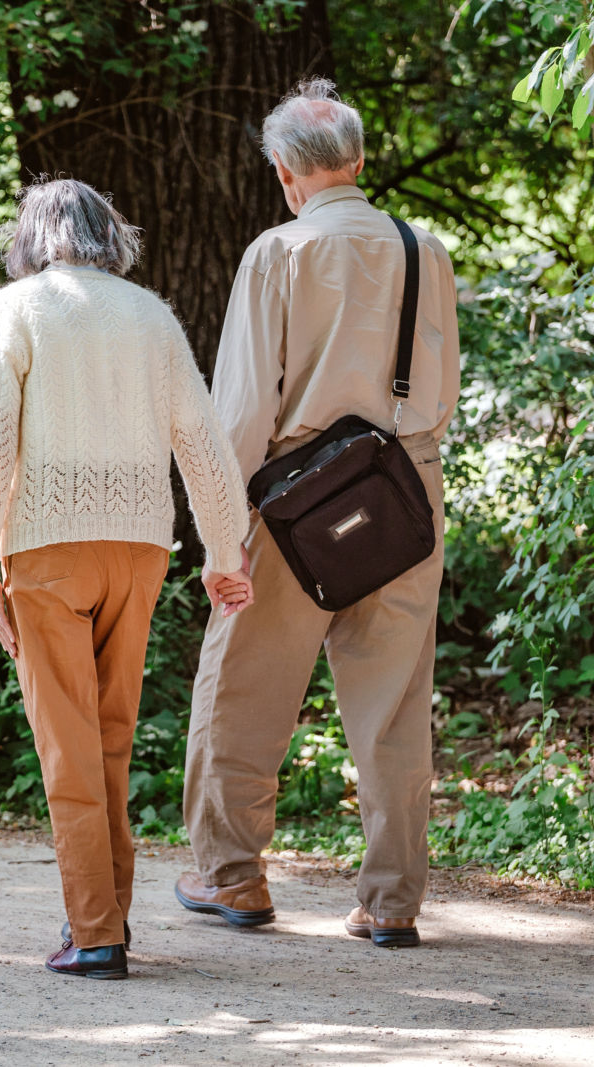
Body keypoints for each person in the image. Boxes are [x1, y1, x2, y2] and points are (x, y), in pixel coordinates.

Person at [176, 79, 462, 948]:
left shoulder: (278, 253)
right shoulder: (429, 251)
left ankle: (232, 877)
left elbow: (239, 413)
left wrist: (220, 537)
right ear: (361, 161)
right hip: (406, 494)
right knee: (394, 706)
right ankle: (390, 902)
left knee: (243, 691)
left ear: (283, 172)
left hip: (294, 503)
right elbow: (443, 385)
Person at [0, 178, 253, 979]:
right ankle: (105, 919)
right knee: (110, 739)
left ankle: (93, 935)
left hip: (48, 549)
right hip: (139, 549)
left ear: (32, 235)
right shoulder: (149, 314)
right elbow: (201, 439)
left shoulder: (15, 311)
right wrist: (226, 553)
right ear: (107, 234)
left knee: (67, 750)